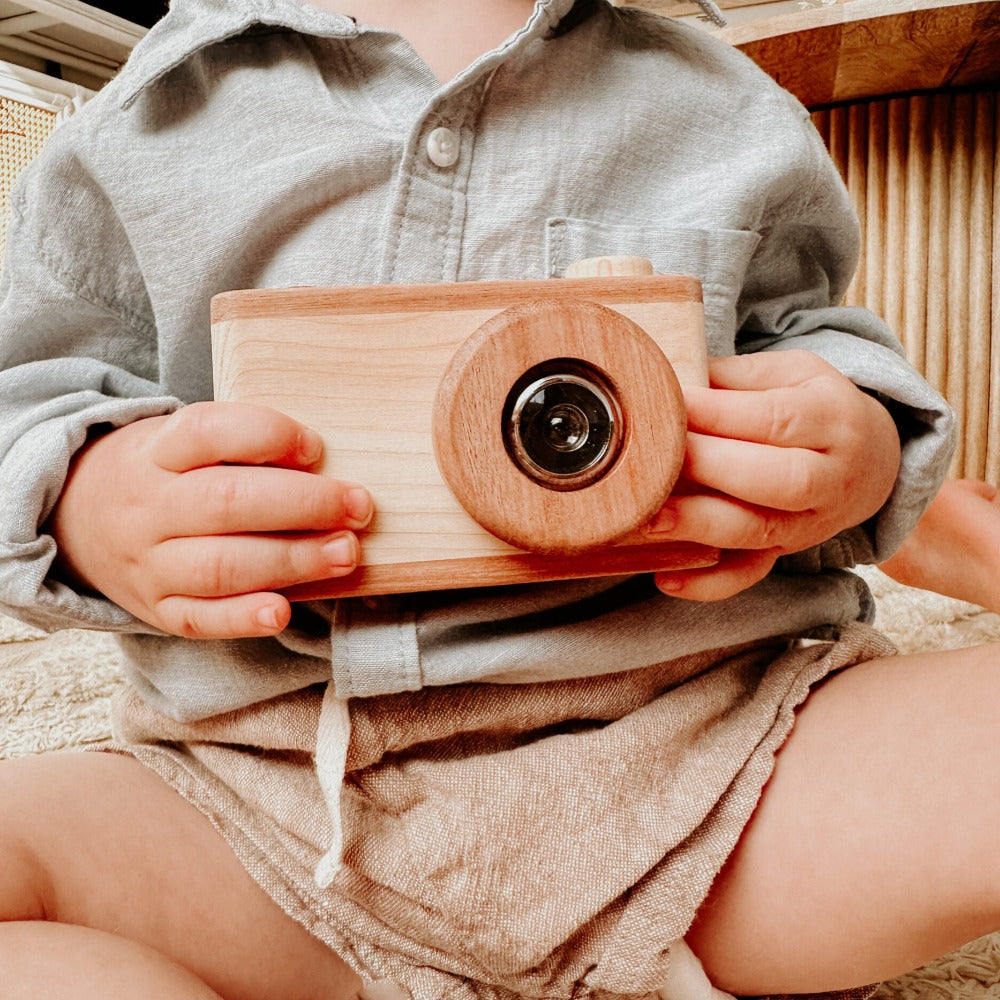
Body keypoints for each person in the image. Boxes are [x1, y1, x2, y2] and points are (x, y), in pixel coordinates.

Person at [0, 0, 992, 997]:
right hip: (259, 800)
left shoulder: (729, 102)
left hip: (710, 759)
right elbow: (22, 402)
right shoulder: (137, 125)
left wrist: (853, 451)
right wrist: (87, 504)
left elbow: (815, 346)